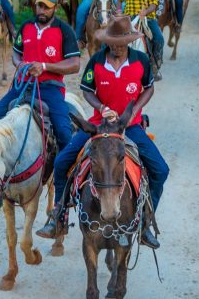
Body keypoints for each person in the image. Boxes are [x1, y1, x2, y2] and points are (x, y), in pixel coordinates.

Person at [37, 15, 168, 249]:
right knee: (61, 163)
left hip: (130, 126)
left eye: (120, 43)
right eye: (112, 42)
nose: (116, 47)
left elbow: (149, 88)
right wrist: (102, 107)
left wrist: (135, 109)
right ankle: (59, 217)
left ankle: (146, 223)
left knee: (160, 170)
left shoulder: (141, 61)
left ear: (128, 42)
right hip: (98, 124)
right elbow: (87, 90)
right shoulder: (97, 61)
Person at [0, 0, 80, 151]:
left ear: (55, 7)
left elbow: (75, 64)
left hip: (51, 88)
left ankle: (65, 173)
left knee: (64, 133)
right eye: (39, 5)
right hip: (23, 85)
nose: (42, 10)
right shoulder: (26, 27)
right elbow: (16, 54)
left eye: (47, 7)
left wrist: (45, 66)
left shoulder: (64, 30)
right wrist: (20, 64)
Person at [118, 0, 164, 79]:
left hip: (147, 19)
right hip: (128, 18)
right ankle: (106, 62)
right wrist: (118, 12)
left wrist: (145, 12)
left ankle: (155, 64)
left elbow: (154, 4)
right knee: (110, 38)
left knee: (159, 38)